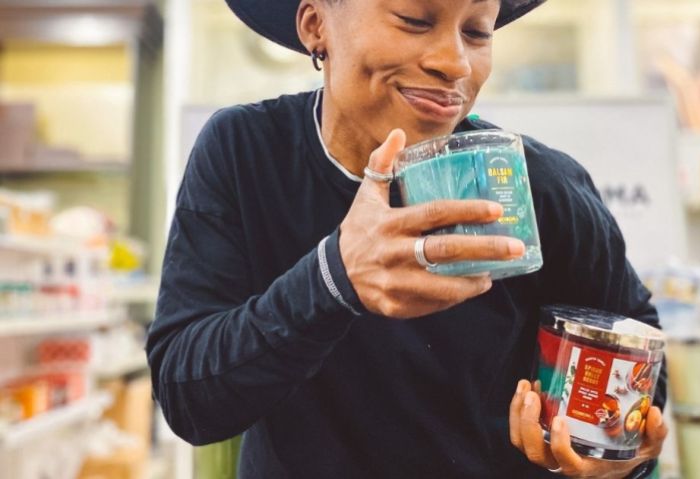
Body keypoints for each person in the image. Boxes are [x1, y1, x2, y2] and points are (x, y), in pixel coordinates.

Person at [146, 0, 668, 477]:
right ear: (315, 25)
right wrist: (335, 277)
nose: (455, 62)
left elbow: (636, 345)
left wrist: (614, 456)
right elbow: (188, 398)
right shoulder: (246, 153)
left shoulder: (534, 184)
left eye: (476, 32)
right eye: (415, 20)